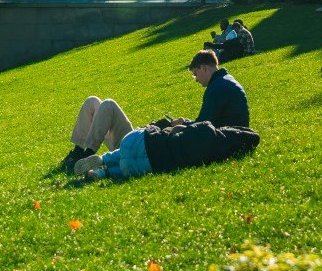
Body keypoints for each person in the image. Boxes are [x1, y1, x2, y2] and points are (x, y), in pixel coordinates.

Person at [61, 50, 248, 171]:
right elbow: (206, 125)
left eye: (195, 74)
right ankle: (79, 150)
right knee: (93, 101)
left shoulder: (217, 89)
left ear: (204, 68)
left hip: (138, 146)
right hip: (140, 142)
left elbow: (205, 128)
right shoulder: (224, 84)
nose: (196, 79)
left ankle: (86, 155)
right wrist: (184, 123)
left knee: (107, 104)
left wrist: (181, 125)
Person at [74, 120, 260, 181]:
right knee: (125, 168)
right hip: (152, 163)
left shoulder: (206, 128)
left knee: (121, 152)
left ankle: (102, 159)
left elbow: (177, 131)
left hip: (141, 141)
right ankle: (103, 173)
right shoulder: (211, 157)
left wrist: (177, 125)